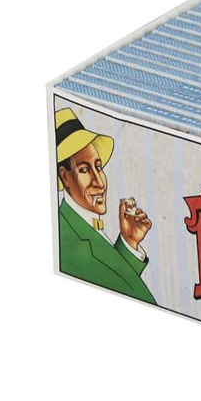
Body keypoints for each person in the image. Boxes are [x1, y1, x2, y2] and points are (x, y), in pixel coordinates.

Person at [55, 108, 156, 304]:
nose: (99, 182)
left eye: (98, 167)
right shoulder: (64, 234)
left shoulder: (82, 224)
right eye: (84, 170)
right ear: (64, 176)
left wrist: (129, 242)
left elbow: (108, 276)